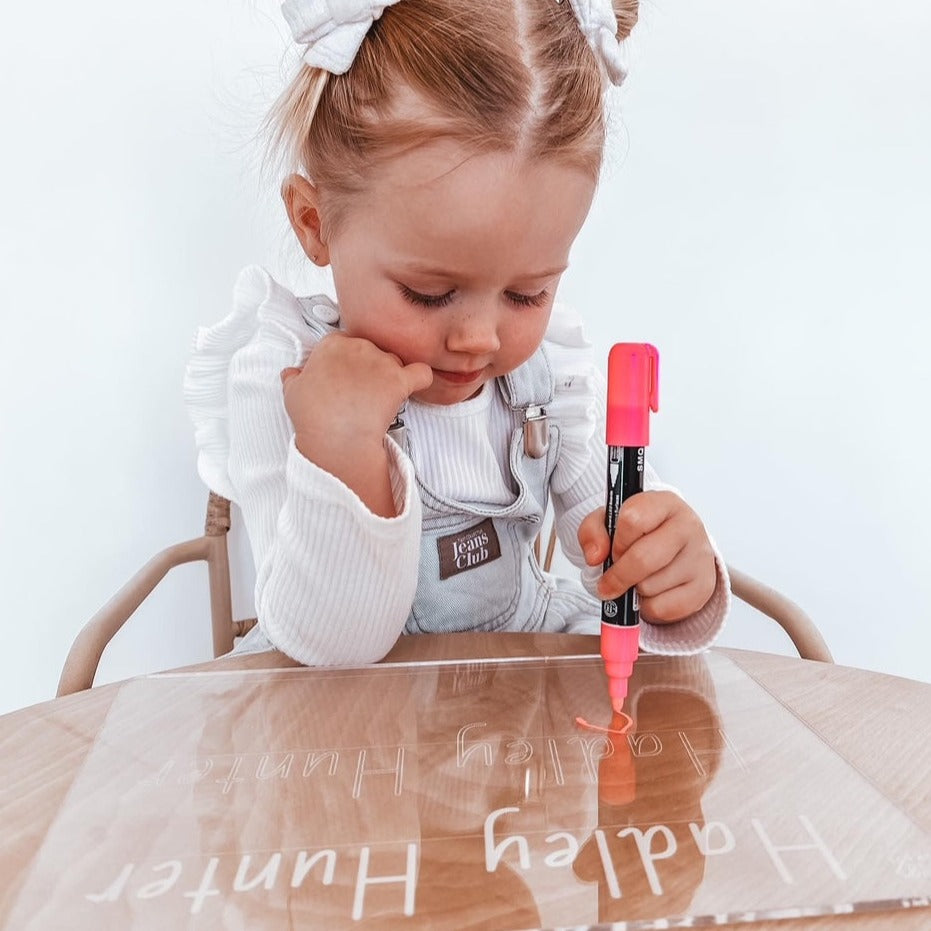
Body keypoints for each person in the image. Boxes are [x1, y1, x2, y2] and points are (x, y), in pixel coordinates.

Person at [184, 0, 730, 666]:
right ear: (313, 222)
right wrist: (343, 448)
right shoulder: (284, 372)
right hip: (343, 728)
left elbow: (616, 569)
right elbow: (328, 648)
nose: (478, 338)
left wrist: (668, 568)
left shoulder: (547, 376)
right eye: (429, 293)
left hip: (513, 708)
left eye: (526, 293)